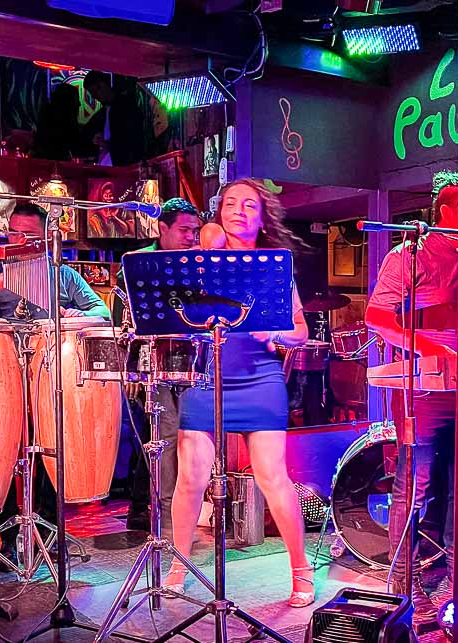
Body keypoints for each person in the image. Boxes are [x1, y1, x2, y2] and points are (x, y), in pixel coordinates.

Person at [161, 179, 315, 608]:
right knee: (190, 477)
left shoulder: (273, 267)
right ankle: (178, 565)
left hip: (260, 378)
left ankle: (301, 571)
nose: (239, 211)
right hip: (207, 376)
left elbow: (301, 330)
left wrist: (280, 333)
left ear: (263, 216)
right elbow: (208, 237)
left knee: (272, 478)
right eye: (230, 203)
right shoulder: (205, 252)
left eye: (250, 205)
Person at [0, 202, 110, 570]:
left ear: (48, 240)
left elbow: (103, 311)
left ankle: (48, 533)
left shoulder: (63, 276)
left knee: (47, 450)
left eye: (29, 236)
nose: (20, 241)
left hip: (49, 376)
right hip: (4, 377)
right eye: (14, 234)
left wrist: (79, 314)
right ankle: (8, 537)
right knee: (3, 453)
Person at [364, 170, 458, 624]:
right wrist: (428, 345)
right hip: (422, 387)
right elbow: (376, 316)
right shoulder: (409, 255)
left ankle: (457, 578)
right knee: (416, 486)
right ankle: (401, 585)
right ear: (446, 209)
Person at [112, 198, 202, 534]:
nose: (191, 237)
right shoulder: (137, 264)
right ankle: (166, 525)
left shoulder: (199, 263)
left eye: (195, 230)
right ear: (161, 228)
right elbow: (125, 322)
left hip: (191, 361)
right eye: (184, 230)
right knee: (164, 438)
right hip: (152, 363)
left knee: (183, 440)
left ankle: (167, 517)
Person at [83, 71, 145, 167]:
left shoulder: (126, 107)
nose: (98, 94)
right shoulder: (101, 114)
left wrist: (110, 144)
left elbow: (134, 139)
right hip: (107, 166)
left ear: (106, 83)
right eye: (93, 93)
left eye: (99, 88)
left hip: (124, 166)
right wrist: (94, 139)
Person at [33, 82, 95, 161]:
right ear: (68, 101)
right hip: (56, 166)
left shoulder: (47, 116)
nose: (79, 104)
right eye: (76, 100)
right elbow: (75, 145)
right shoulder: (65, 124)